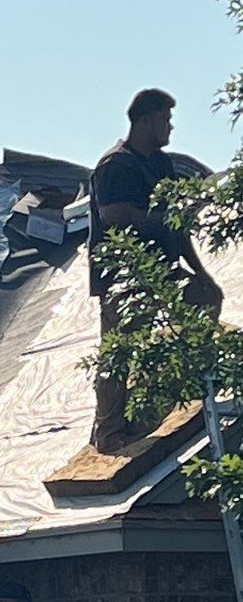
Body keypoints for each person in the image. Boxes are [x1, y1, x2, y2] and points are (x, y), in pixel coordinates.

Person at [89, 89, 224, 453]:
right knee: (119, 351)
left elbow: (176, 229)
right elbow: (115, 215)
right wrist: (160, 221)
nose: (170, 128)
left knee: (207, 298)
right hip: (125, 279)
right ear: (146, 121)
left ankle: (166, 392)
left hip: (164, 273)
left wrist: (201, 273)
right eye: (165, 120)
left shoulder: (162, 165)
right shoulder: (115, 165)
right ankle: (108, 430)